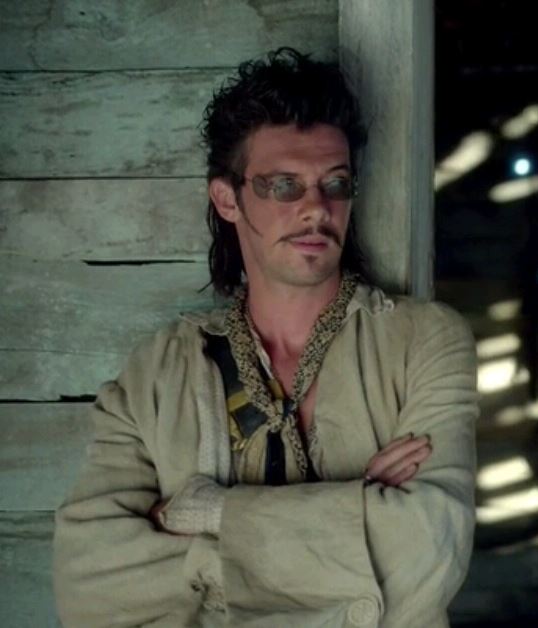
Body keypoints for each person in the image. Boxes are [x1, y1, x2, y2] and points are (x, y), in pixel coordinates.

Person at [52, 48, 479, 627]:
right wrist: (351, 513)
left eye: (336, 183)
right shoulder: (157, 373)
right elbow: (87, 588)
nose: (316, 208)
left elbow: (426, 555)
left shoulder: (422, 341)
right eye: (284, 185)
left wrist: (203, 514)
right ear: (227, 199)